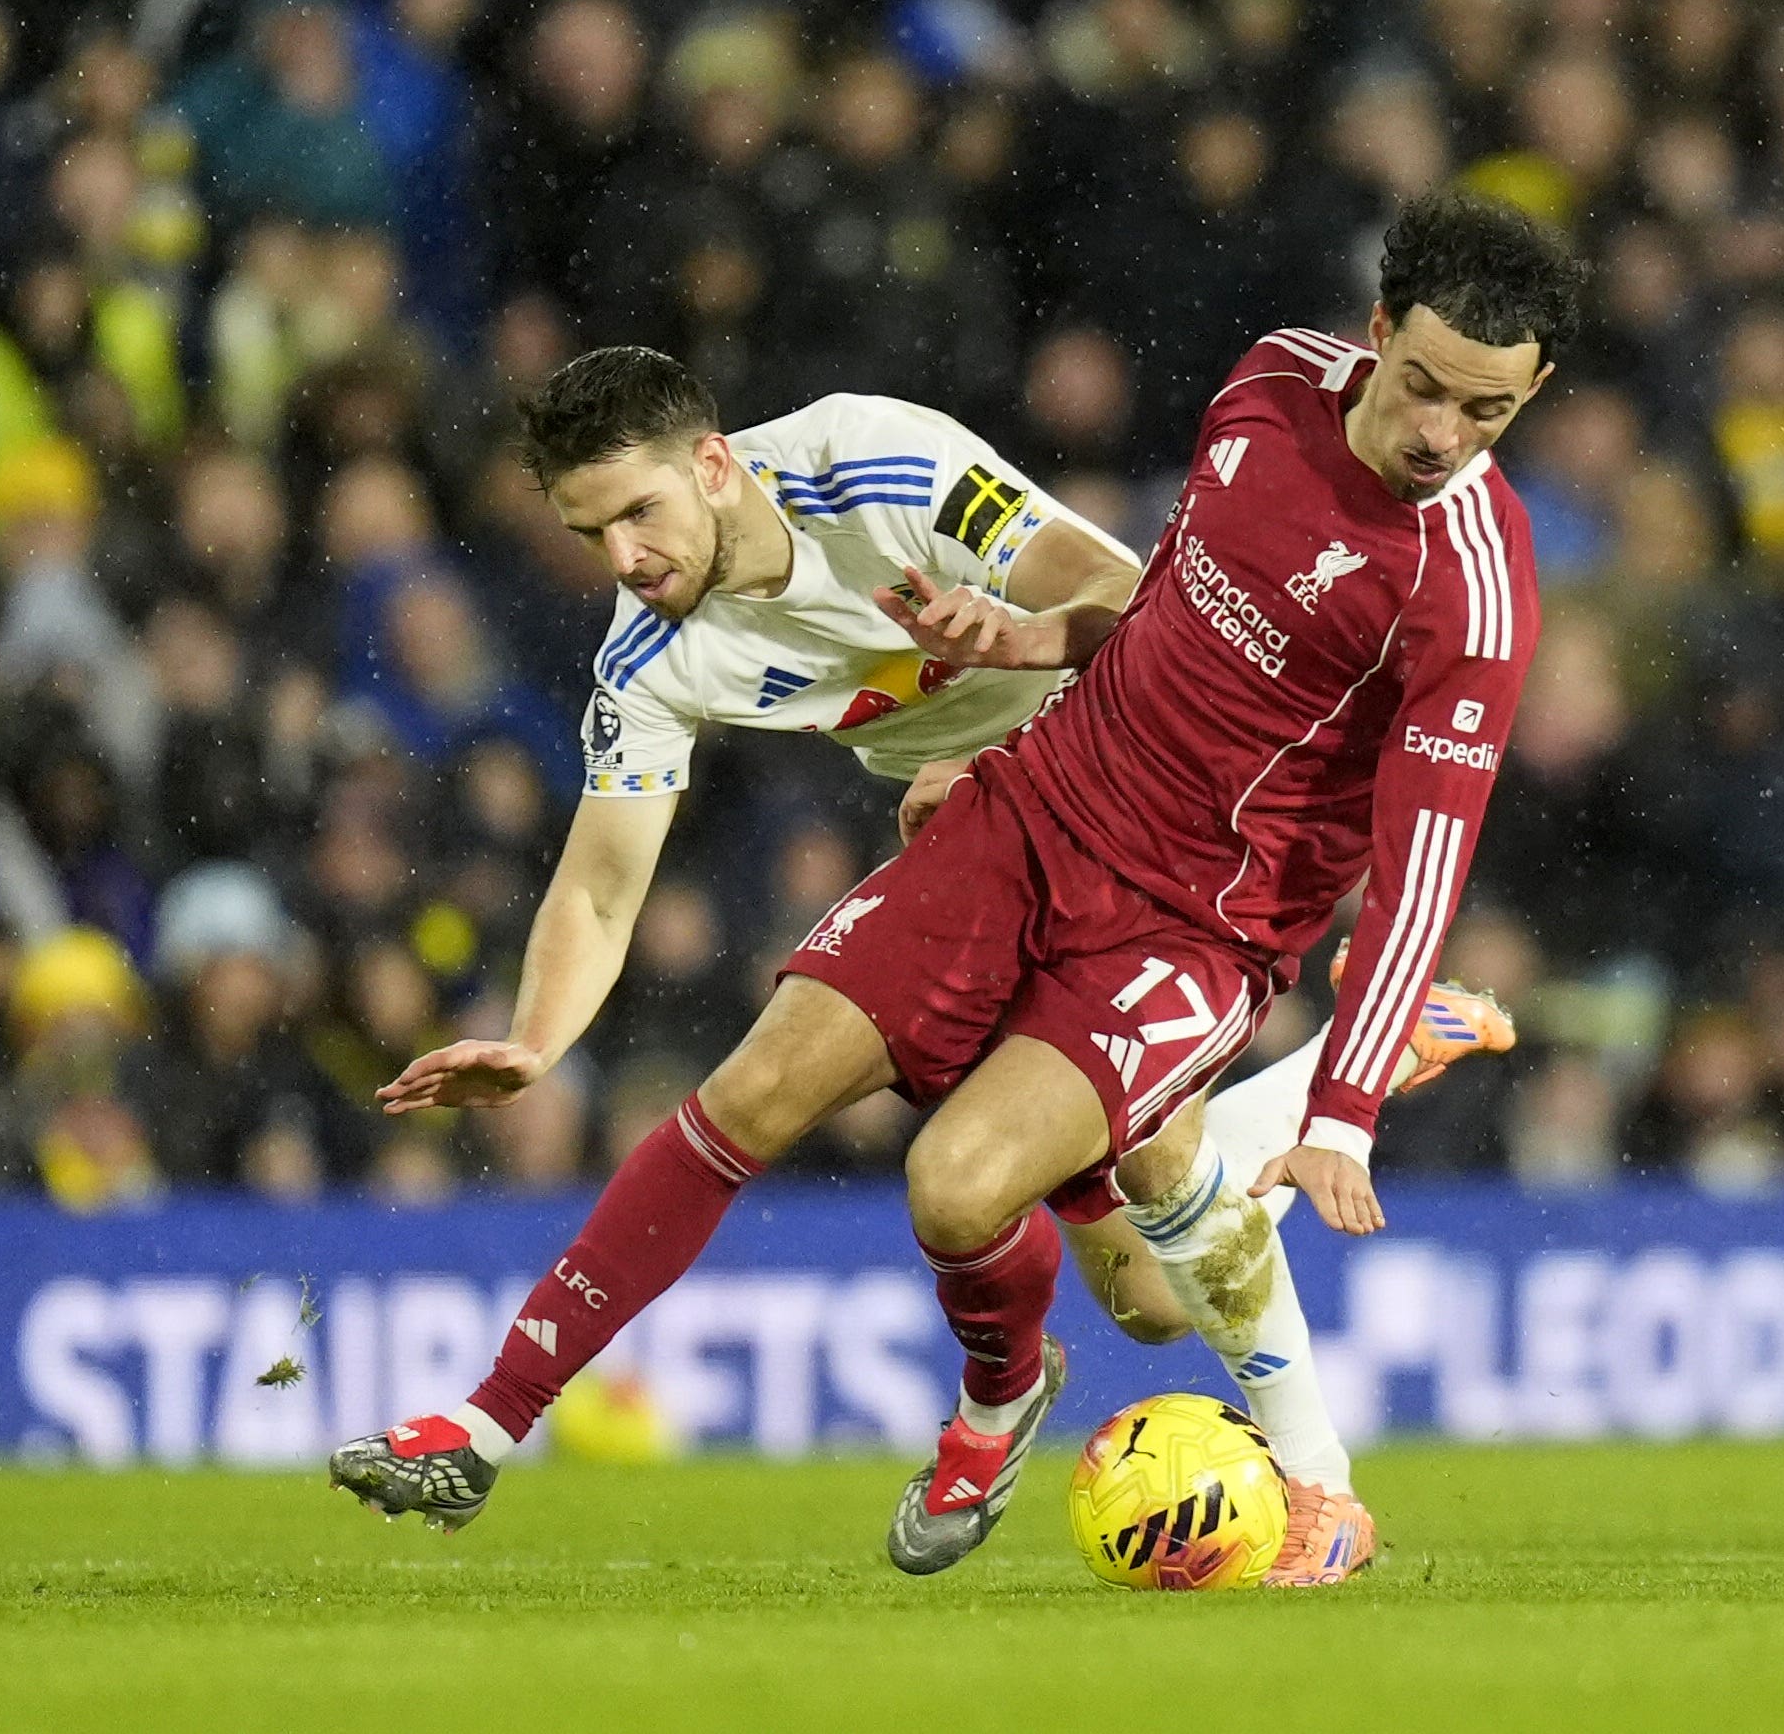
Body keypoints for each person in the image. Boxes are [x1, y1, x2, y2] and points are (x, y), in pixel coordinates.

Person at [328, 328, 1518, 1583]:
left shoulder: (870, 460)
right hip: (984, 842)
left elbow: (1131, 601)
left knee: (1153, 1273)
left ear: (716, 464)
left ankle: (1347, 1071)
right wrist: (535, 1039)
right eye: (591, 536)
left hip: (1134, 796)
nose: (625, 558)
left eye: (638, 512)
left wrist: (1016, 677)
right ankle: (483, 1424)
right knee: (774, 1101)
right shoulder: (646, 655)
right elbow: (604, 878)